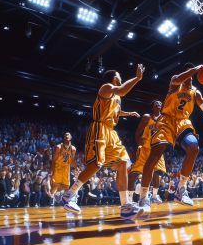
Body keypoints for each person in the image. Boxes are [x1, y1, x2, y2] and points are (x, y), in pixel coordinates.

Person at [136, 63, 203, 217]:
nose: (191, 74)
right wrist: (195, 69)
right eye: (189, 71)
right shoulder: (176, 80)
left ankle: (181, 190)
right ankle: (143, 197)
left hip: (183, 122)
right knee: (154, 157)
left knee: (194, 148)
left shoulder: (196, 92)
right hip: (166, 121)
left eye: (193, 71)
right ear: (187, 72)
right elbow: (178, 79)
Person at [60, 66, 144, 220]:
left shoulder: (117, 97)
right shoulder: (107, 87)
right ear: (114, 77)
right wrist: (137, 78)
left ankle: (125, 205)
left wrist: (128, 113)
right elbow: (123, 90)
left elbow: (116, 111)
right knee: (97, 163)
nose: (120, 78)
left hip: (112, 131)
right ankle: (69, 195)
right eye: (119, 76)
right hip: (100, 128)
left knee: (123, 164)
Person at [128, 100, 166, 205]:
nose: (158, 103)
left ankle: (154, 196)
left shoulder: (165, 119)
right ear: (152, 107)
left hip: (157, 149)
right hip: (145, 149)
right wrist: (138, 140)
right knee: (134, 174)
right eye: (156, 103)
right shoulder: (146, 117)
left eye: (160, 102)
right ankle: (129, 199)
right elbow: (138, 132)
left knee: (157, 173)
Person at [47, 133, 79, 203]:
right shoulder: (58, 147)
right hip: (58, 166)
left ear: (71, 138)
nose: (66, 136)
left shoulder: (73, 149)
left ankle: (58, 193)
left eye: (68, 135)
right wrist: (52, 168)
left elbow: (73, 160)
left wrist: (77, 169)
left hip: (66, 167)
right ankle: (51, 196)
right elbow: (53, 159)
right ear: (64, 138)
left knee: (66, 186)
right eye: (65, 135)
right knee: (55, 185)